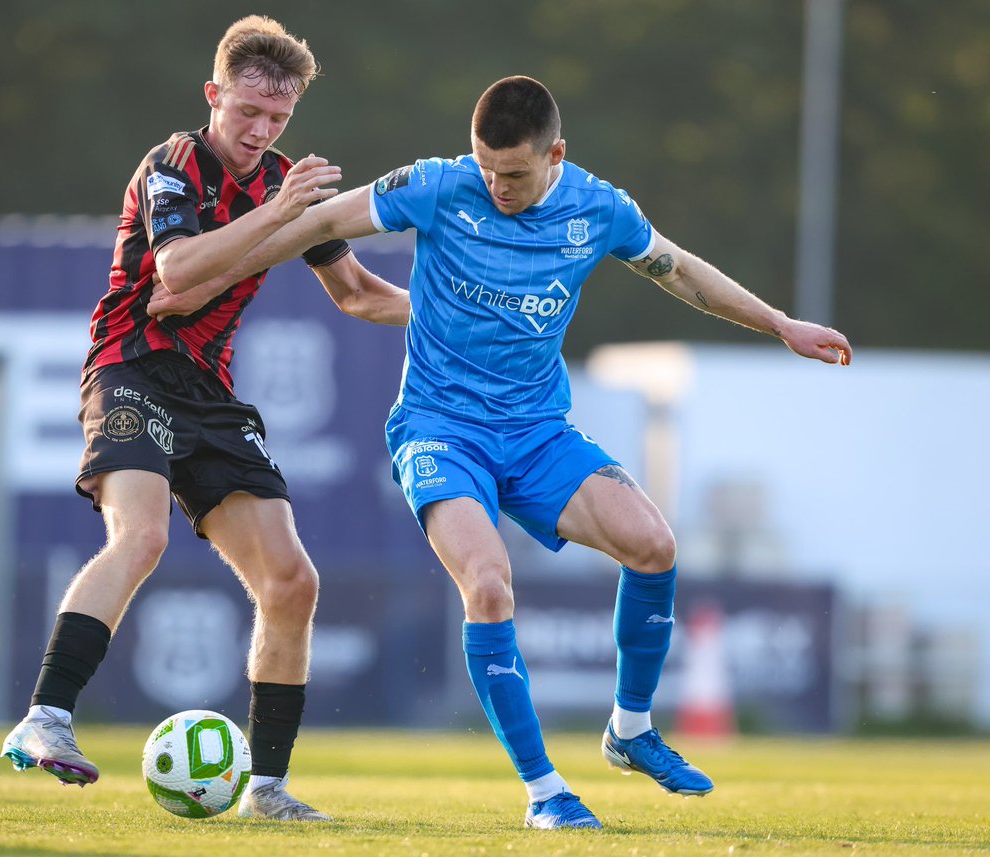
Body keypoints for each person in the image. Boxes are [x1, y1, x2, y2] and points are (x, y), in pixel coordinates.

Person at [151, 75, 853, 830]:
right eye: (486, 168)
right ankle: (546, 792)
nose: (497, 186)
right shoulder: (435, 185)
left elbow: (679, 268)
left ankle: (630, 730)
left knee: (653, 545)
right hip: (439, 429)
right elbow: (319, 221)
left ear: (556, 155)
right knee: (488, 585)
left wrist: (781, 323)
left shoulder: (599, 209)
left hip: (538, 431)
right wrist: (209, 276)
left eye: (513, 173)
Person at [0, 16, 407, 823]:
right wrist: (285, 214)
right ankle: (45, 717)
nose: (260, 131)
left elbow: (360, 294)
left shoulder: (284, 182)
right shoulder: (174, 164)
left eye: (278, 117)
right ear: (214, 95)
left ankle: (268, 789)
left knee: (291, 581)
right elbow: (178, 273)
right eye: (248, 111)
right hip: (130, 367)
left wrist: (462, 315)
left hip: (210, 393)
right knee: (142, 535)